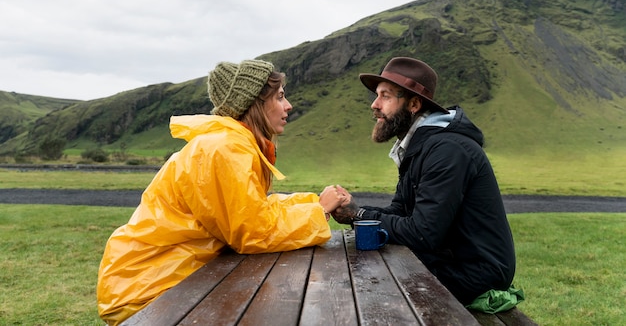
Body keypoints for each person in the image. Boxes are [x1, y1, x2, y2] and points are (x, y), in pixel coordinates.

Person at [97, 59, 347, 325]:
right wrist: (318, 211)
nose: (288, 106)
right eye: (280, 97)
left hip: (170, 277)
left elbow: (253, 208)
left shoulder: (231, 143)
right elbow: (251, 231)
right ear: (254, 103)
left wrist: (313, 201)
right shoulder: (225, 148)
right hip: (149, 287)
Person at [331, 56, 516, 306]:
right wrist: (354, 210)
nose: (374, 105)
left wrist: (358, 215)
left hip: (474, 272)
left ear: (414, 104)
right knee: (359, 269)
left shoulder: (447, 150)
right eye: (377, 95)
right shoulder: (421, 146)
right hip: (447, 259)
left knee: (368, 286)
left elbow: (423, 233)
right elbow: (400, 211)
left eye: (385, 96)